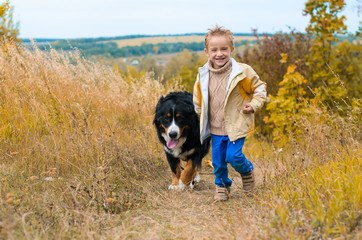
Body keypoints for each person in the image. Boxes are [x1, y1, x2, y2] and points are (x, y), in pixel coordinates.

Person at [193, 26, 266, 201]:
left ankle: (247, 173)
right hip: (215, 128)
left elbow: (260, 88)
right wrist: (199, 113)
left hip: (236, 124)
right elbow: (198, 97)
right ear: (206, 52)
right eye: (214, 50)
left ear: (231, 50)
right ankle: (222, 186)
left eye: (224, 49)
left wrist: (254, 104)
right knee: (218, 163)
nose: (220, 54)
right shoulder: (203, 75)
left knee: (233, 156)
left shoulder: (243, 72)